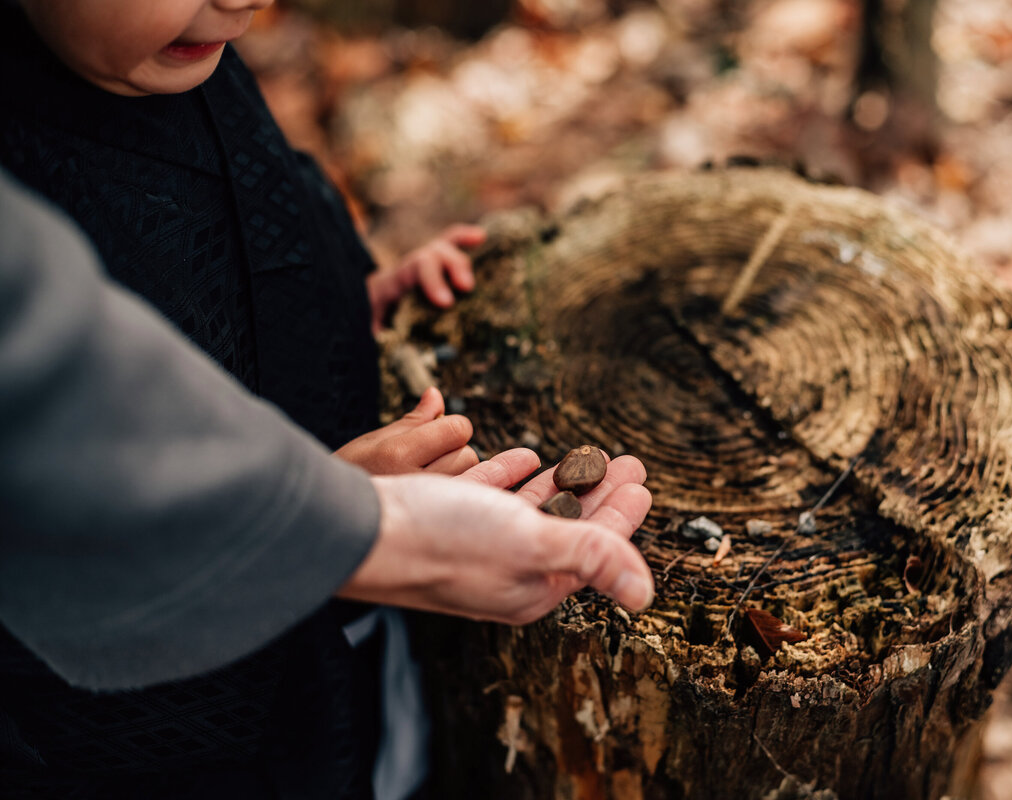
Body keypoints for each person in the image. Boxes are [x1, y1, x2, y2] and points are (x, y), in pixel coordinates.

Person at [0, 0, 643, 797]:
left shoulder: (170, 55)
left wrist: (342, 296)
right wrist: (322, 532)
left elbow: (236, 241)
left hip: (363, 651)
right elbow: (71, 548)